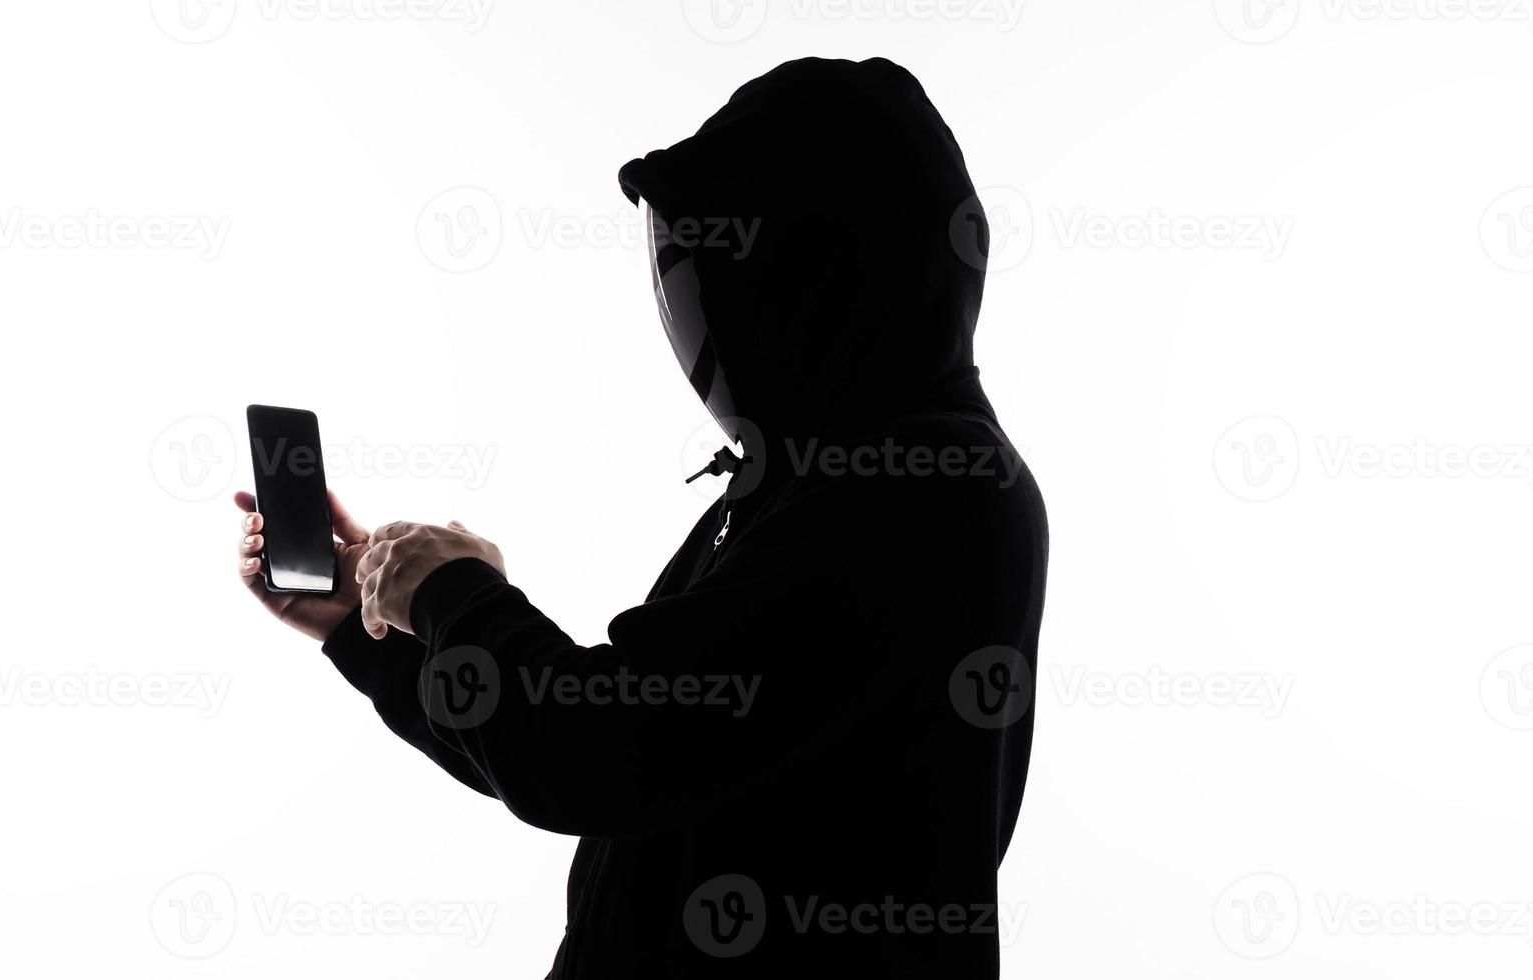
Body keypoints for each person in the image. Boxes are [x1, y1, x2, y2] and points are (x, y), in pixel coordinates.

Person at [234, 56, 1048, 979]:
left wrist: (454, 594)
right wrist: (368, 635)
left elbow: (597, 753)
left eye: (724, 267)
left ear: (820, 272)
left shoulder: (921, 490)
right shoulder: (814, 477)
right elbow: (614, 758)